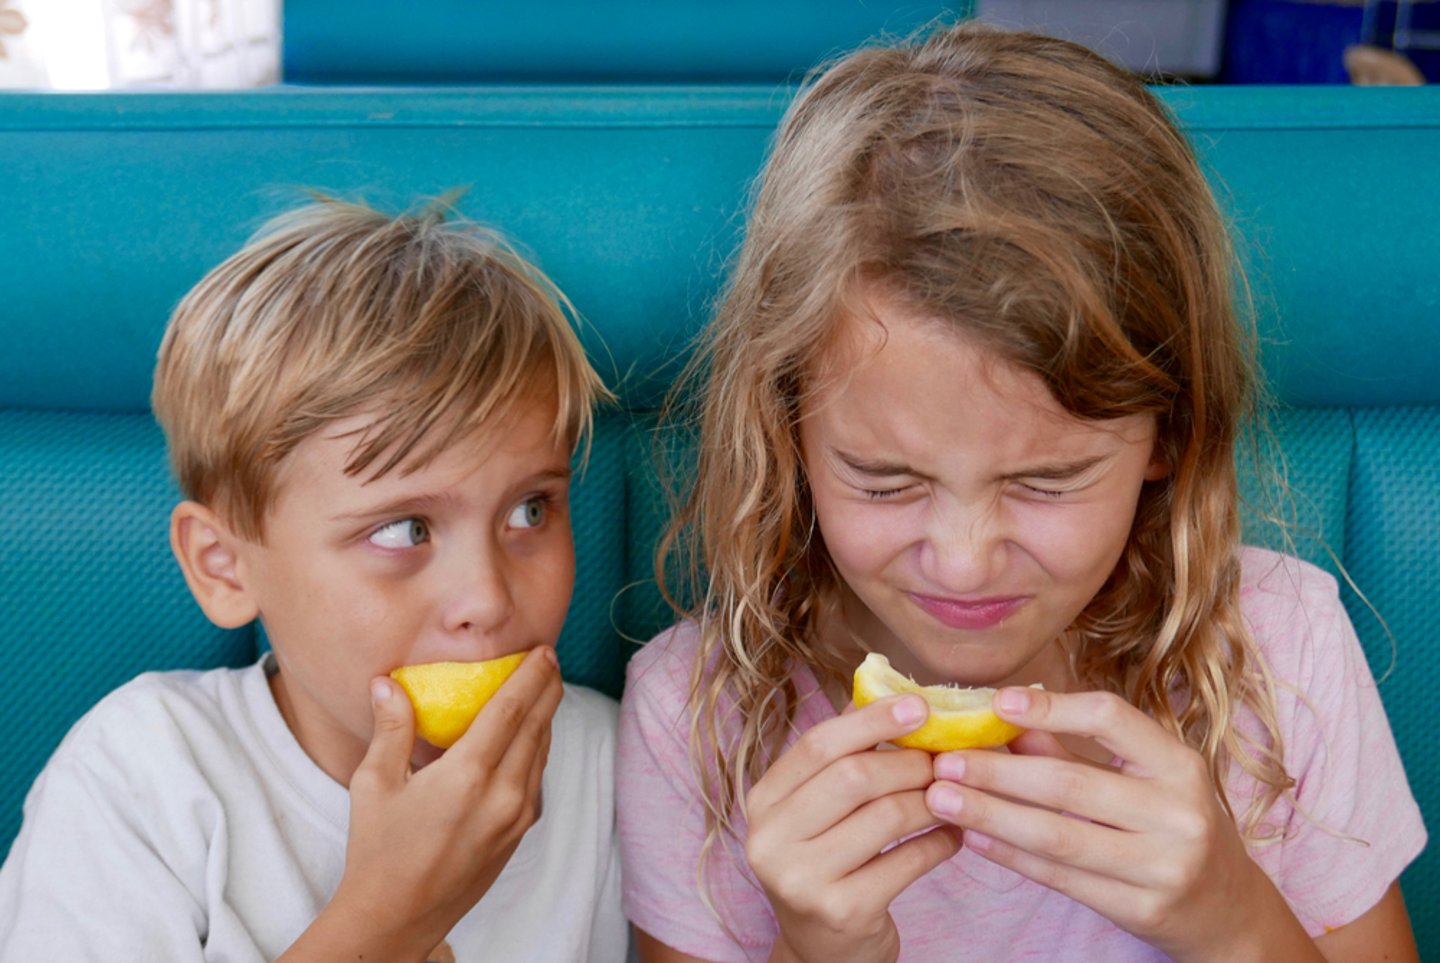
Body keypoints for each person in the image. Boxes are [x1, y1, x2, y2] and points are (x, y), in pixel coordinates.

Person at [617, 22, 1425, 963]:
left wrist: (1231, 915)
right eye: (884, 479)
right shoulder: (700, 713)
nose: (963, 558)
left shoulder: (1281, 648)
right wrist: (815, 950)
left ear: (1168, 431)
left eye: (1046, 479)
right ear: (788, 431)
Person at [0, 198, 628, 961]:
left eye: (530, 510)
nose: (488, 600)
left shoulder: (616, 767)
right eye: (404, 530)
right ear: (223, 565)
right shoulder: (140, 778)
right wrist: (388, 919)